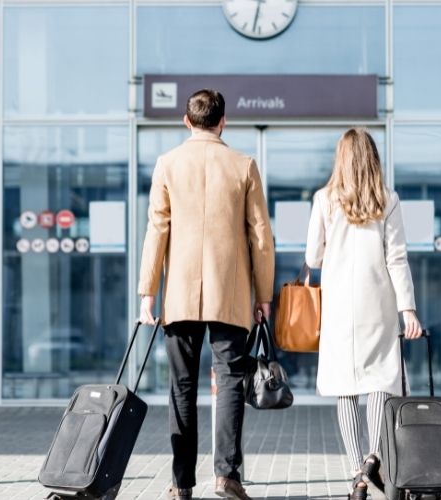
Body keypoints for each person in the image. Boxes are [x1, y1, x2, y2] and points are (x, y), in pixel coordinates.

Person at [137, 89, 274, 500]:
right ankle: (227, 476)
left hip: (178, 294)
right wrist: (264, 294)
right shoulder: (243, 165)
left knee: (181, 385)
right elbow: (261, 237)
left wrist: (147, 292)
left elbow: (156, 231)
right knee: (230, 381)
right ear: (223, 121)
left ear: (186, 121)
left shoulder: (168, 164)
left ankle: (181, 484)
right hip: (229, 294)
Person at [305, 128, 423, 499]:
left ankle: (357, 474)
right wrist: (409, 309)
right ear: (372, 158)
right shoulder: (387, 199)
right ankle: (374, 458)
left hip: (339, 308)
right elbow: (397, 259)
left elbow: (313, 257)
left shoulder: (324, 199)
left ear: (340, 159)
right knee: (379, 383)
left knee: (345, 388)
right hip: (379, 304)